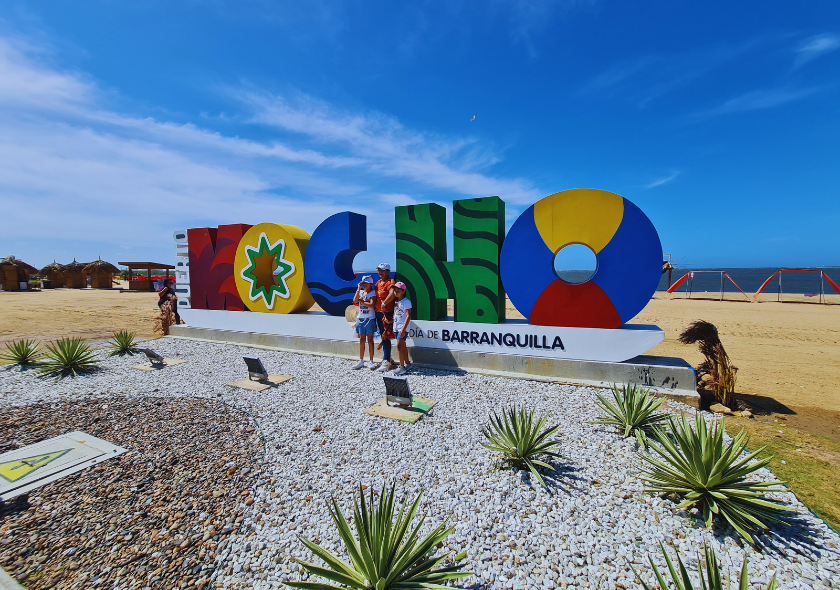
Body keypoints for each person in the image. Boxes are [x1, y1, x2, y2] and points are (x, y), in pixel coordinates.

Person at [373, 262, 397, 372]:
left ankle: (386, 361)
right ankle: (388, 358)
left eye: (382, 270)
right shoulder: (378, 282)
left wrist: (384, 303)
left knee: (385, 337)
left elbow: (392, 294)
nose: (380, 272)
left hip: (387, 313)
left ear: (388, 271)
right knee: (383, 337)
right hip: (377, 313)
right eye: (379, 270)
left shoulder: (391, 282)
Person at [351, 276, 377, 369]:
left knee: (370, 340)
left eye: (366, 283)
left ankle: (371, 361)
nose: (364, 285)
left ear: (371, 284)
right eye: (363, 283)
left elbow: (371, 305)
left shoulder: (373, 293)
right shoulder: (361, 292)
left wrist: (361, 301)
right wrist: (358, 289)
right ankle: (361, 360)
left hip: (370, 319)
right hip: (361, 319)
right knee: (362, 340)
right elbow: (354, 300)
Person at [391, 282, 412, 375]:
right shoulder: (396, 302)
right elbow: (397, 314)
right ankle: (407, 363)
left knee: (399, 346)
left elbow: (408, 315)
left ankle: (402, 366)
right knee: (402, 346)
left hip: (402, 328)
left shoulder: (406, 301)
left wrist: (403, 329)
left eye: (398, 291)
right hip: (396, 327)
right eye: (395, 291)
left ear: (403, 291)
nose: (396, 292)